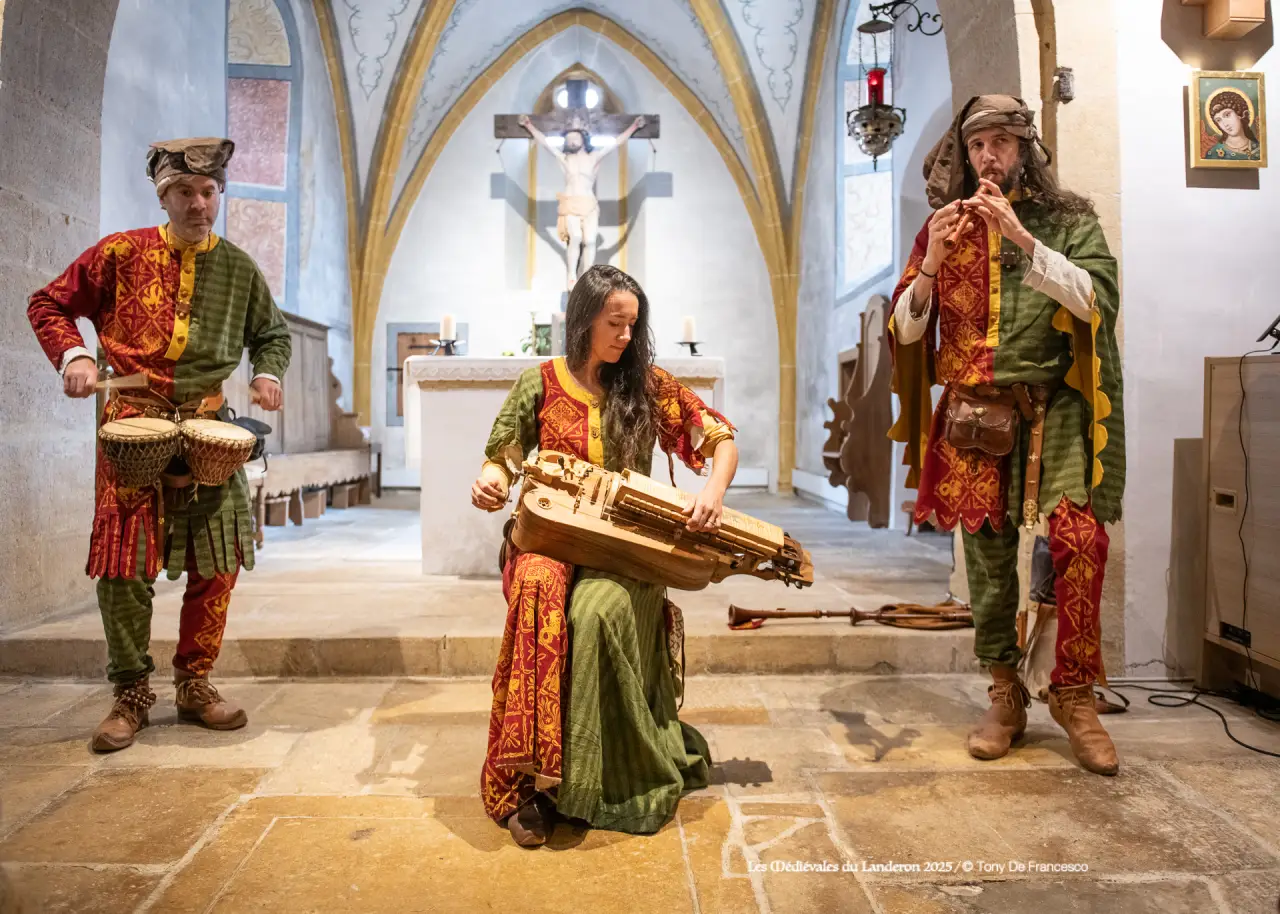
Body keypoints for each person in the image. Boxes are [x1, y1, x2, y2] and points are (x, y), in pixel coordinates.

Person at [27, 137, 291, 752]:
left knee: (218, 564)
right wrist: (74, 355)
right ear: (163, 195)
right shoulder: (120, 253)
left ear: (219, 193)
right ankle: (131, 694)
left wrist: (267, 372)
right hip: (132, 430)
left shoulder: (241, 267)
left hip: (209, 429)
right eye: (184, 193)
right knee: (123, 571)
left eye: (208, 192)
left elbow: (271, 334)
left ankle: (195, 684)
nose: (198, 204)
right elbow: (49, 302)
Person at [888, 96, 1125, 775]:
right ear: (965, 155)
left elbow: (1098, 300)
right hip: (973, 416)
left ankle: (1074, 696)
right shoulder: (943, 227)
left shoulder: (1068, 220)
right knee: (988, 563)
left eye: (1001, 142)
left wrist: (1024, 240)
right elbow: (907, 329)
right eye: (977, 145)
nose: (989, 156)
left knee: (1080, 539)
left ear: (1026, 149)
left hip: (1056, 410)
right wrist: (931, 260)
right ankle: (1004, 694)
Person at [472, 264, 738, 846]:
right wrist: (491, 480)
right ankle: (522, 783)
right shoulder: (540, 383)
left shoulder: (644, 385)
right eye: (614, 323)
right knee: (540, 585)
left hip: (626, 554)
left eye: (632, 325)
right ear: (584, 319)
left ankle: (588, 779)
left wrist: (712, 491)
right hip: (551, 540)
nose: (624, 336)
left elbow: (716, 435)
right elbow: (503, 454)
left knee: (594, 614)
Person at [519, 115, 645, 290]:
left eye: (575, 137)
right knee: (576, 237)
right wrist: (529, 126)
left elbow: (615, 144)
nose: (571, 140)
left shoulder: (594, 157)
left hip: (589, 204)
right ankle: (571, 274)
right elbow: (546, 143)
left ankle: (586, 276)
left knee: (590, 241)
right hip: (570, 203)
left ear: (583, 138)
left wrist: (633, 128)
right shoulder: (564, 159)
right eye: (569, 138)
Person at [1205, 89, 1262, 161]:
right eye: (1219, 120)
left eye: (1227, 115)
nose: (1225, 124)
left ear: (1240, 114)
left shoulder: (1259, 149)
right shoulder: (1214, 153)